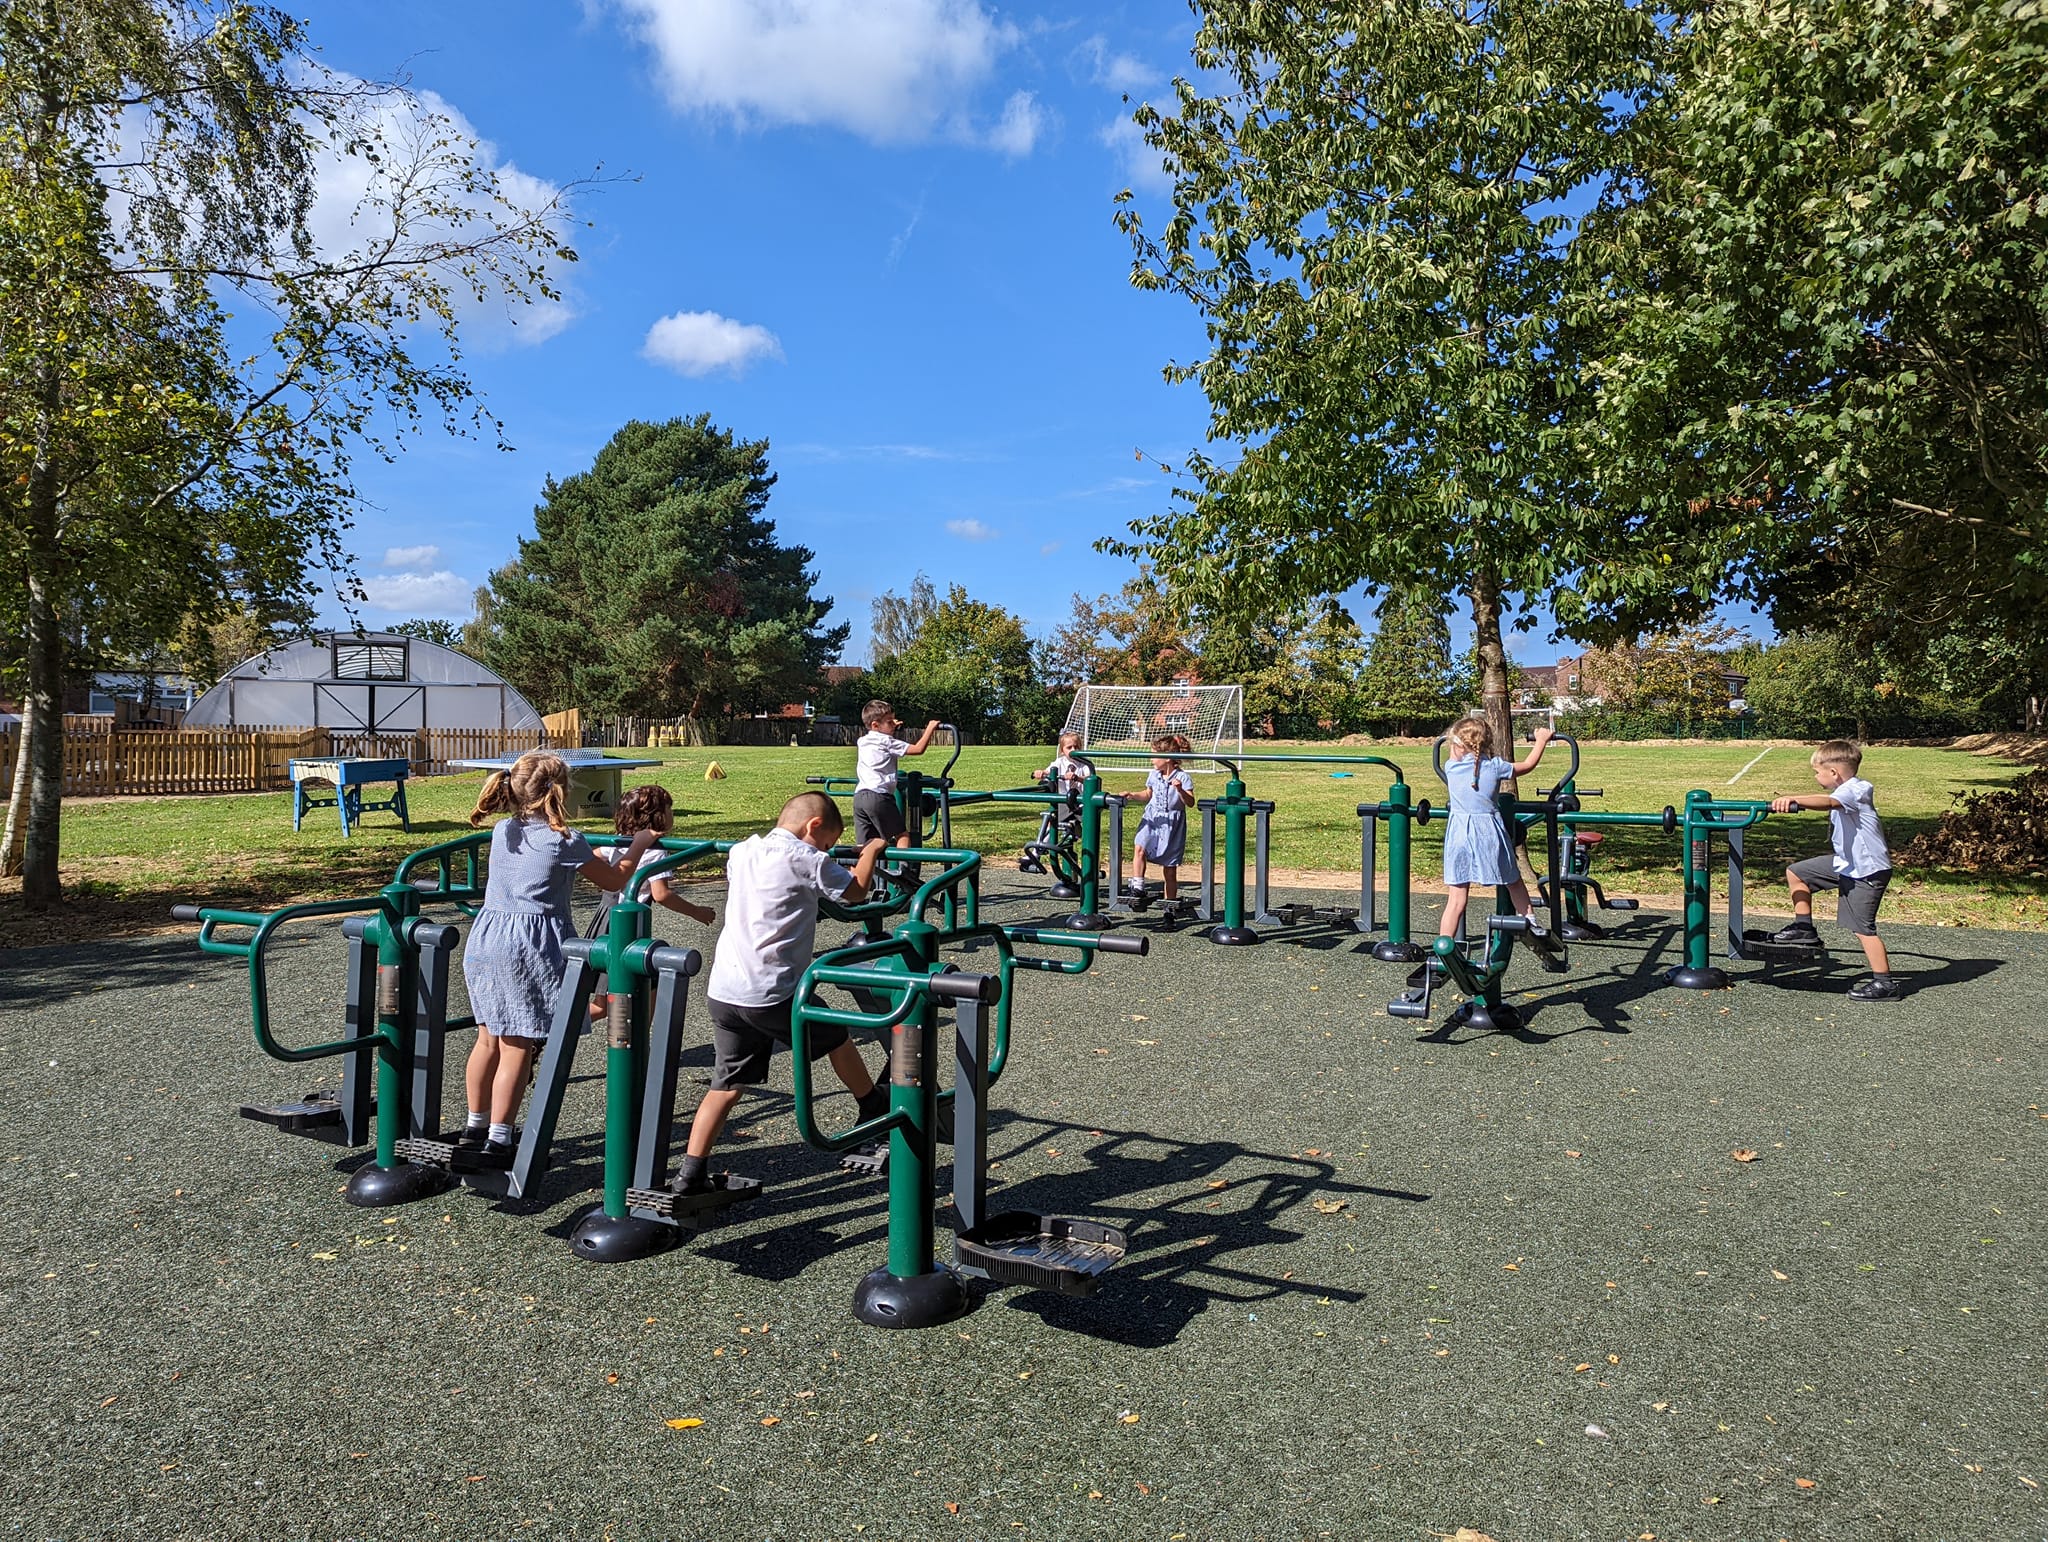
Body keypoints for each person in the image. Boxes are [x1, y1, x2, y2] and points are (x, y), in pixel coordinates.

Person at [674, 792, 892, 1194]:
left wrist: (827, 865)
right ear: (812, 827)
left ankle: (690, 1173)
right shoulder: (807, 859)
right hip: (772, 992)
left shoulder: (741, 851)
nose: (827, 851)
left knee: (726, 1084)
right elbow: (857, 891)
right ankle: (872, 1106)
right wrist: (872, 849)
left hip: (726, 991)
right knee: (837, 1034)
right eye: (827, 842)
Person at [459, 752, 657, 1164]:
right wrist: (639, 844)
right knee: (519, 1043)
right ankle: (499, 1141)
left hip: (486, 937)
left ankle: (474, 1129)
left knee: (488, 1039)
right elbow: (617, 879)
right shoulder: (565, 839)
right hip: (527, 944)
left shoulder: (502, 831)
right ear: (561, 791)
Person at [1767, 741, 1899, 1000]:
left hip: (1867, 871)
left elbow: (1828, 802)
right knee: (1797, 872)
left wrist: (1793, 799)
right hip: (1846, 864)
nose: (1815, 777)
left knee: (1863, 928)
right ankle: (1804, 928)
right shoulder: (1847, 789)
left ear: (1834, 773)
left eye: (1817, 772)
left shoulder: (1856, 790)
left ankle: (1885, 983)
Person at [586, 783, 714, 1026]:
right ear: (657, 817)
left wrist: (606, 879)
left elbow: (593, 858)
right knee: (638, 990)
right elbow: (661, 894)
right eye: (669, 810)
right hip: (626, 929)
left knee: (606, 1001)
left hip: (604, 921)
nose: (672, 815)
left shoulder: (617, 842)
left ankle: (624, 1044)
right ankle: (634, 1048)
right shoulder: (655, 851)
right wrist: (697, 912)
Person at [1438, 716, 1560, 951]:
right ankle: (1529, 921)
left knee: (1456, 898)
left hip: (1459, 835)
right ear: (1487, 744)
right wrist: (1541, 741)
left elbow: (1455, 751)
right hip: (1488, 834)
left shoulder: (1451, 767)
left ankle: (1444, 945)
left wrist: (1453, 739)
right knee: (1512, 880)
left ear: (1455, 745)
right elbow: (1527, 766)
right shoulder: (1495, 767)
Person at [853, 700, 943, 850]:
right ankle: (904, 870)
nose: (893, 724)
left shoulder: (863, 741)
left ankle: (858, 872)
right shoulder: (886, 741)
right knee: (901, 835)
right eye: (889, 722)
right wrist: (930, 728)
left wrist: (889, 724)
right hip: (879, 796)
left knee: (864, 845)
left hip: (860, 797)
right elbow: (918, 749)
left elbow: (881, 732)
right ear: (875, 725)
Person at [1121, 734, 1196, 903]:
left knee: (1169, 869)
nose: (1151, 759)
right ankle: (1138, 885)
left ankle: (1170, 904)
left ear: (1168, 758)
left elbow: (1190, 802)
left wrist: (1180, 790)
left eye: (1155, 755)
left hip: (1171, 824)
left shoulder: (1182, 777)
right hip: (1152, 818)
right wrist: (1132, 795)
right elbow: (1148, 794)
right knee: (1139, 846)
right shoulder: (1154, 775)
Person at [1037, 730, 1097, 839]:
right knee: (1051, 819)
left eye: (1076, 747)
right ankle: (1038, 850)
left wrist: (1077, 778)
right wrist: (1041, 773)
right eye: (1069, 748)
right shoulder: (1060, 762)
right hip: (1064, 801)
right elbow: (1048, 771)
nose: (1073, 750)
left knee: (1090, 826)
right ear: (1062, 750)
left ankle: (1077, 831)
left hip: (1081, 802)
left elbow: (1090, 779)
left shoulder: (1085, 764)